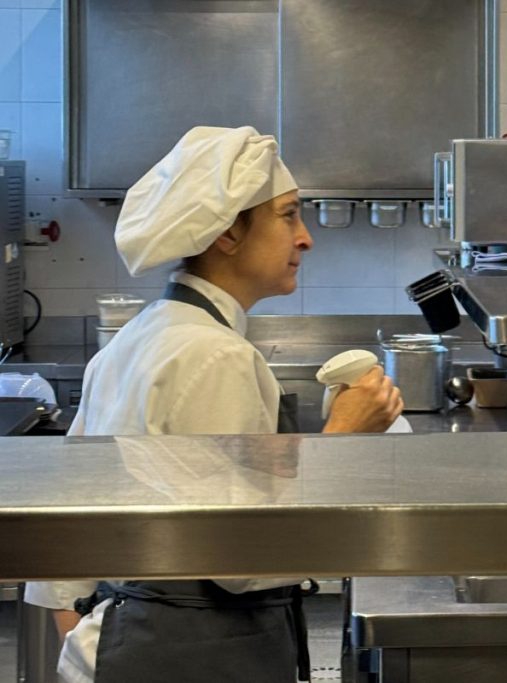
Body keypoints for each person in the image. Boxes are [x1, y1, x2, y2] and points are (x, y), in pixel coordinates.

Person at [25, 126, 404, 683]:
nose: (306, 239)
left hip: (132, 647)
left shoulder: (142, 334)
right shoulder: (214, 355)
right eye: (289, 215)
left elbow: (67, 537)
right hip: (192, 655)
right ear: (227, 233)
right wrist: (346, 435)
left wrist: (97, 637)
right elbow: (242, 557)